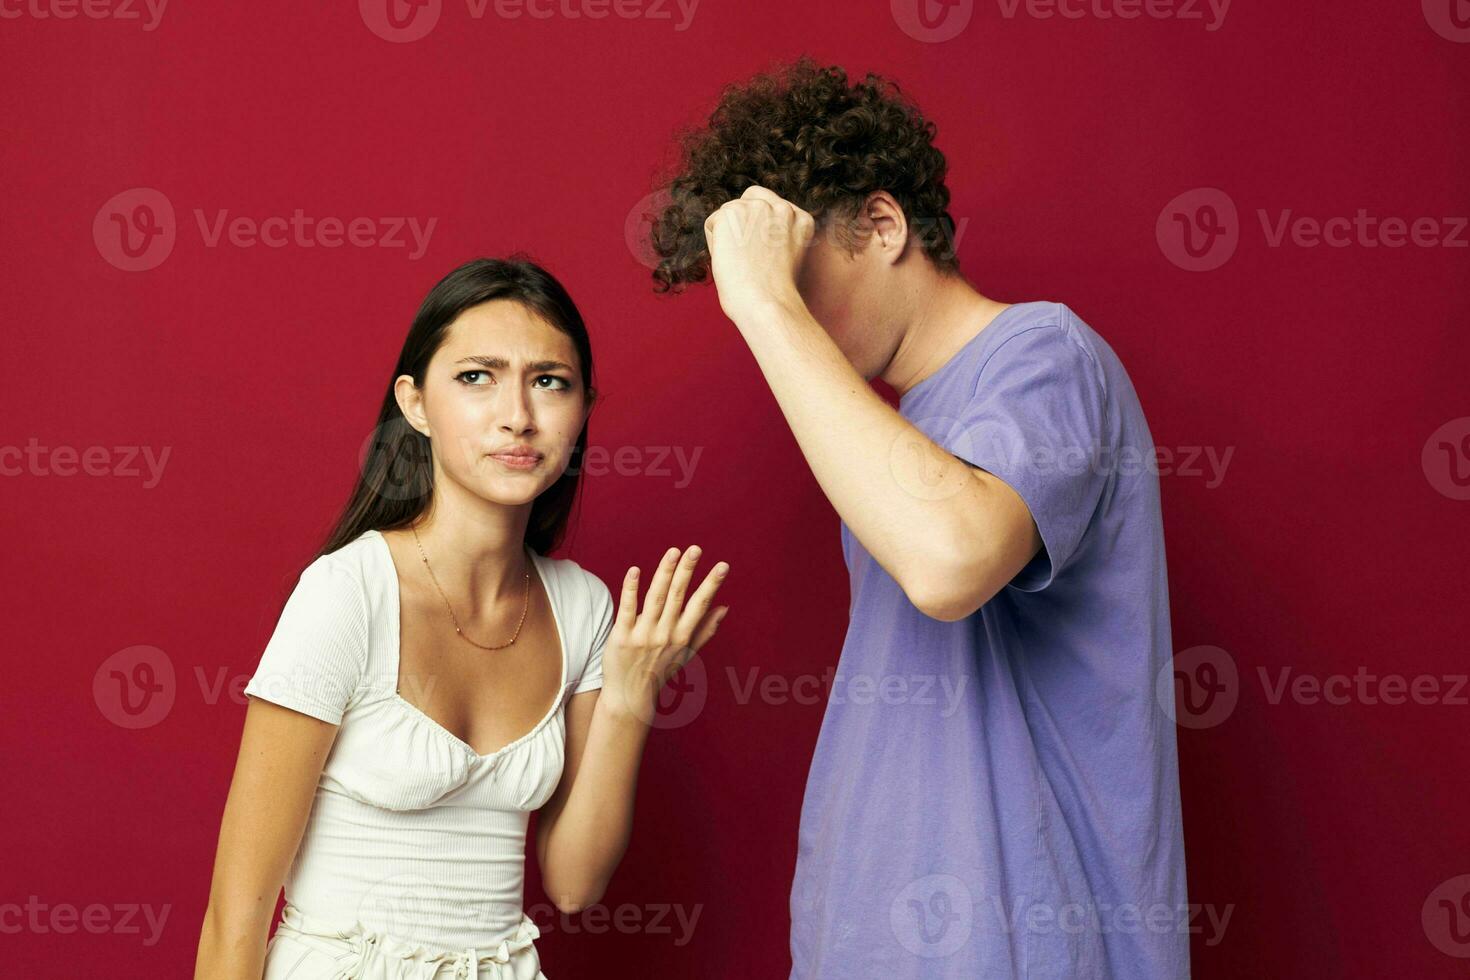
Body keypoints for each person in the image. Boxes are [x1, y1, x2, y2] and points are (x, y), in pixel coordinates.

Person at [648, 59, 1189, 978]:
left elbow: (950, 561)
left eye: (801, 279)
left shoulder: (1045, 353)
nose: (791, 325)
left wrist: (767, 305)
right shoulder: (900, 432)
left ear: (884, 224)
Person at [194, 256, 731, 980]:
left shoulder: (582, 607)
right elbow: (237, 914)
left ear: (582, 409)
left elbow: (574, 884)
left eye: (549, 381)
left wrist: (633, 694)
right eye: (477, 377)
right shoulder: (350, 592)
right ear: (415, 405)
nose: (518, 415)